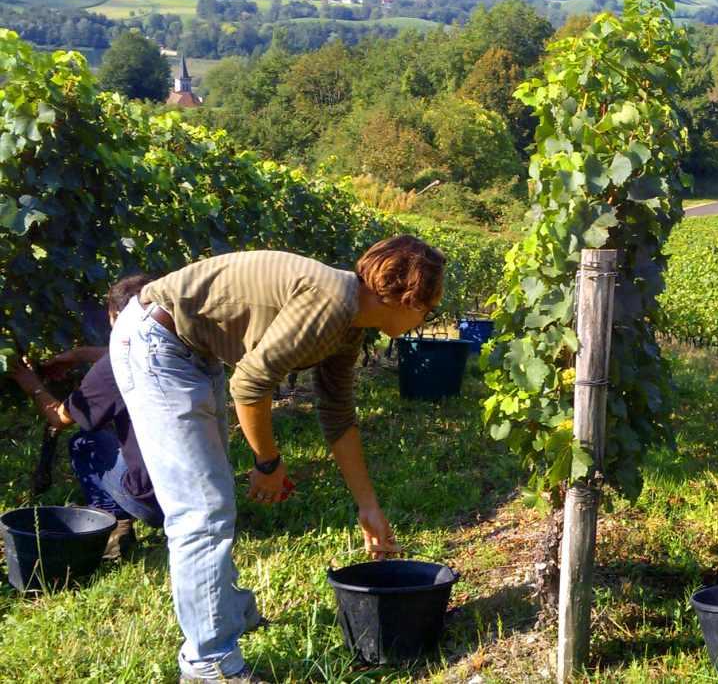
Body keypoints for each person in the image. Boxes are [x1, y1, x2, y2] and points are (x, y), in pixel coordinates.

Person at [109, 235, 445, 682]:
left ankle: (226, 614)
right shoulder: (331, 303)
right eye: (430, 307)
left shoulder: (349, 321)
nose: (429, 317)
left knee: (212, 499)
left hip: (190, 346)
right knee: (201, 510)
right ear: (405, 298)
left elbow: (337, 413)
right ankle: (209, 663)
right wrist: (267, 463)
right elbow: (249, 385)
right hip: (157, 341)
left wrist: (368, 506)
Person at [8, 274, 163, 558]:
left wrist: (32, 384)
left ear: (114, 315)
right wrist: (79, 355)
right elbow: (129, 347)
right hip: (204, 493)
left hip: (159, 503)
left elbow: (60, 419)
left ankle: (115, 530)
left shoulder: (115, 367)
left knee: (86, 442)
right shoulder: (182, 344)